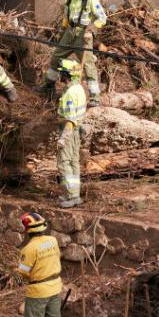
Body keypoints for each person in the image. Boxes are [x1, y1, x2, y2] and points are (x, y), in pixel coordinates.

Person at [36, 0, 106, 107]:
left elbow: (102, 18)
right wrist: (62, 31)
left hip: (83, 35)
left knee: (88, 66)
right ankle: (49, 87)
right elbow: (67, 15)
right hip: (69, 32)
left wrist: (91, 30)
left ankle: (94, 98)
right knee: (56, 58)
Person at [15, 212, 62, 317]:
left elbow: (23, 273)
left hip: (38, 291)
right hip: (55, 287)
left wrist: (17, 273)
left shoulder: (29, 249)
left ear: (27, 230)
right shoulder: (53, 240)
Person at [56, 58, 86, 208]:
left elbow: (70, 119)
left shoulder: (69, 94)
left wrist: (63, 138)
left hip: (69, 130)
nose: (59, 76)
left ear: (66, 75)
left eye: (61, 73)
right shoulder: (79, 88)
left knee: (64, 163)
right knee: (74, 163)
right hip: (77, 131)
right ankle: (74, 194)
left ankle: (72, 195)